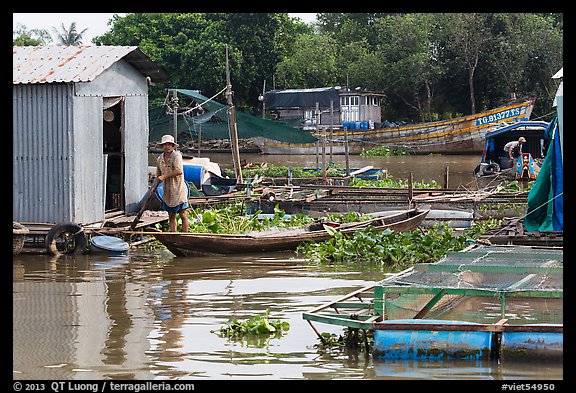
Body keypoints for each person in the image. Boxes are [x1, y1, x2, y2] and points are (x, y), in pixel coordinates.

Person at [155, 134, 189, 232]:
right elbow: (158, 176)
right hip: (168, 191)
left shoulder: (176, 156)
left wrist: (164, 176)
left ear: (173, 146)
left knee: (183, 214)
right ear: (162, 146)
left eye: (169, 144)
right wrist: (154, 188)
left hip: (178, 189)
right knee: (171, 215)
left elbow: (179, 171)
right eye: (165, 145)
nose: (167, 147)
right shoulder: (160, 159)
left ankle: (185, 235)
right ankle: (174, 235)